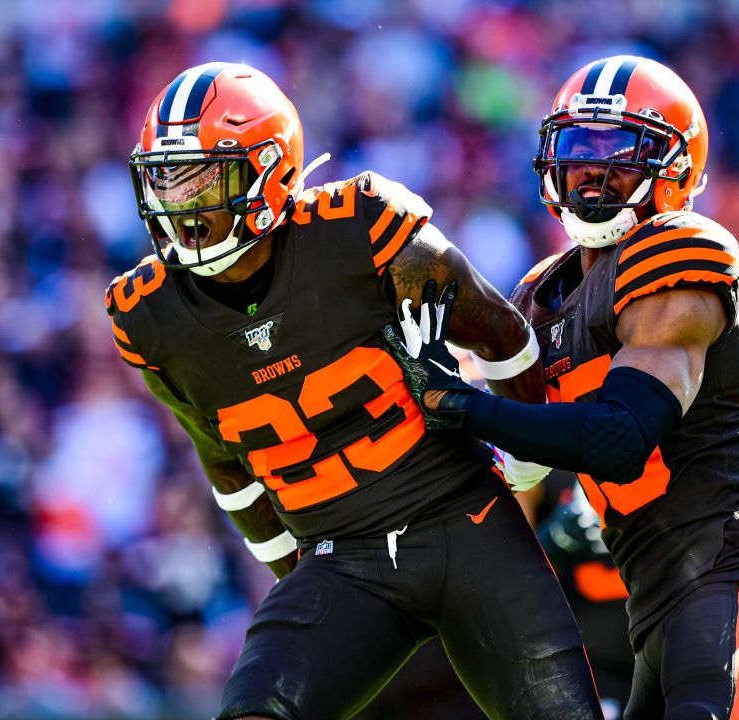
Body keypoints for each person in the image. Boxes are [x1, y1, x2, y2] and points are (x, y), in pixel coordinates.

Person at [387, 56, 739, 720]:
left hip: (733, 564)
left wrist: (463, 404)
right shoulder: (537, 297)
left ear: (675, 169)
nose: (594, 171)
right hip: (651, 598)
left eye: (621, 152)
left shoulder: (680, 250)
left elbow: (620, 437)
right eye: (579, 150)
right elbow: (522, 468)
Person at [105, 62, 600, 720]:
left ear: (269, 170)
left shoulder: (361, 226)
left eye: (203, 178)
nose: (180, 203)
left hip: (463, 520)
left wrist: (528, 461)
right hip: (342, 557)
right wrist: (297, 572)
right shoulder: (148, 314)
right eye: (167, 179)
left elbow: (503, 335)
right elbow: (221, 454)